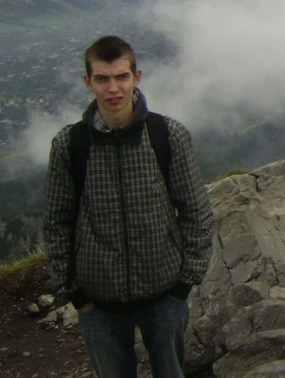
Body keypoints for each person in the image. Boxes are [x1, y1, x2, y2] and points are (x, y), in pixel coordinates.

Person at [42, 35, 215, 378]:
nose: (113, 88)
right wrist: (74, 293)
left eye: (121, 76)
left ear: (136, 77)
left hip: (165, 294)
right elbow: (56, 222)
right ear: (88, 82)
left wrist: (185, 283)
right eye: (102, 78)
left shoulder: (167, 135)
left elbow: (196, 211)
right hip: (97, 301)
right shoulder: (70, 145)